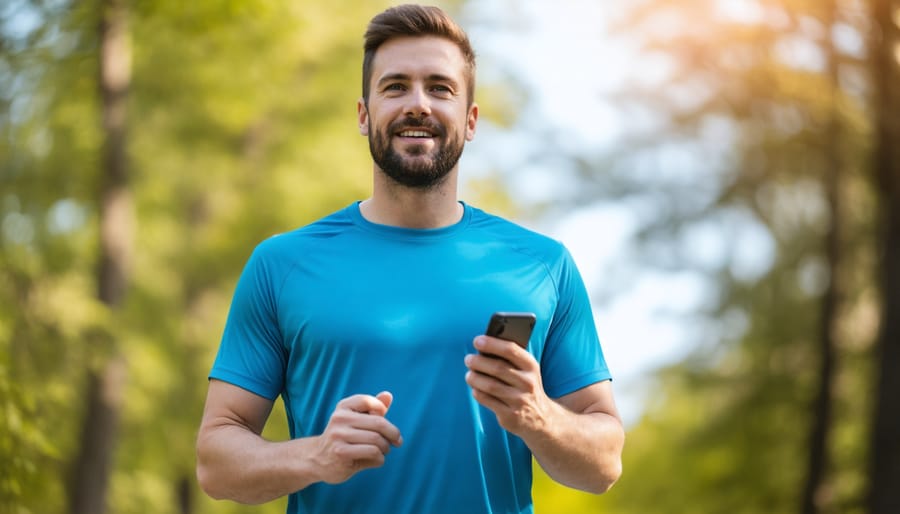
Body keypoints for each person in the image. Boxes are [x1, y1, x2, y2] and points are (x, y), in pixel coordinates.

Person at [195, 4, 624, 514]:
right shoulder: (281, 265)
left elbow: (604, 464)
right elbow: (215, 462)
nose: (417, 103)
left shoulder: (543, 265)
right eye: (395, 86)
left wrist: (536, 415)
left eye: (439, 88)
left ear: (470, 121)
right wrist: (315, 455)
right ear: (364, 114)